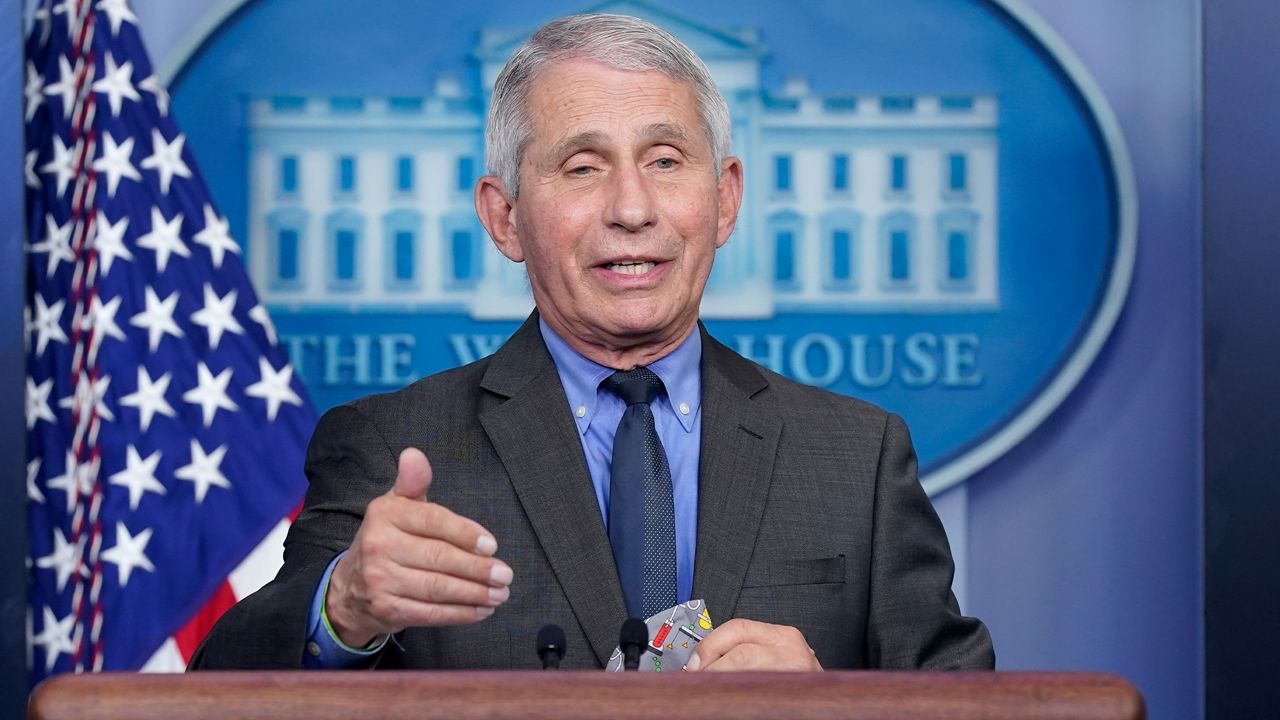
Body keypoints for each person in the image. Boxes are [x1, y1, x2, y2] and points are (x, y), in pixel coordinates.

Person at [190, 12, 993, 672]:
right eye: (582, 167)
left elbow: (973, 705)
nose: (632, 208)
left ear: (724, 200)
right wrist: (346, 606)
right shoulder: (391, 447)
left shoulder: (858, 457)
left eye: (666, 160)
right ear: (505, 218)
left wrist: (831, 708)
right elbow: (226, 685)